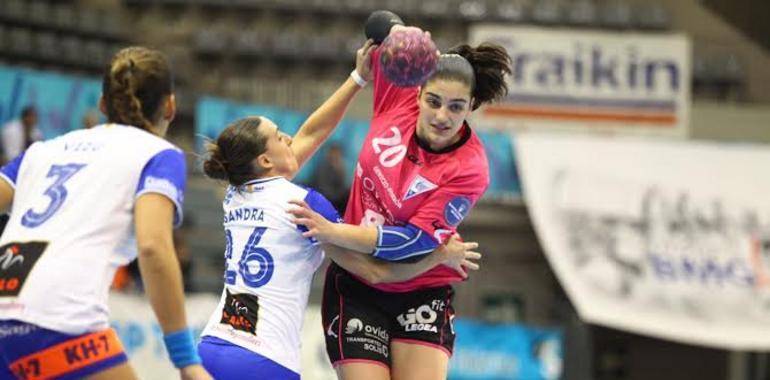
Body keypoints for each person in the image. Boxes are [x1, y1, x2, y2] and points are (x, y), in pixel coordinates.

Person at [196, 40, 481, 380]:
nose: (289, 136)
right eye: (277, 135)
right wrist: (437, 257)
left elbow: (311, 132)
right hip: (265, 357)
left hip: (213, 344)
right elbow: (376, 273)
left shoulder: (236, 190)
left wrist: (357, 79)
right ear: (266, 160)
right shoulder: (304, 206)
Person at [289, 11, 512, 380]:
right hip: (356, 284)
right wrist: (401, 34)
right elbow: (377, 23)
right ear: (420, 92)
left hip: (420, 288)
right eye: (434, 101)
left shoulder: (470, 168)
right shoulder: (400, 93)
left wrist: (332, 231)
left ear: (471, 106)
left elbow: (411, 243)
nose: (442, 115)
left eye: (456, 107)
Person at [0, 47, 211, 380]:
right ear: (170, 105)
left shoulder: (42, 151)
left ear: (102, 105)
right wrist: (186, 359)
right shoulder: (159, 154)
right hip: (58, 316)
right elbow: (154, 247)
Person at [310, 143, 349, 212]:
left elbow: (341, 186)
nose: (337, 156)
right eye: (335, 153)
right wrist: (341, 196)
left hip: (335, 199)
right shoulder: (323, 168)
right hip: (324, 198)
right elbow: (325, 190)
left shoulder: (339, 167)